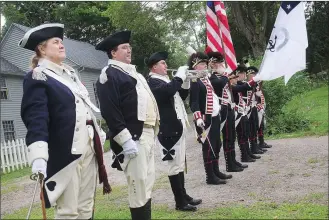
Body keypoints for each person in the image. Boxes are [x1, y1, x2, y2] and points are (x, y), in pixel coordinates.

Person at [20, 23, 110, 219]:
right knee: (69, 212)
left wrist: (98, 133)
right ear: (42, 49)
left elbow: (83, 108)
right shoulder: (37, 76)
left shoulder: (69, 75)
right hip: (65, 152)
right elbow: (36, 117)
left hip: (88, 148)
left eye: (62, 41)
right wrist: (38, 155)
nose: (62, 45)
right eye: (56, 42)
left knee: (86, 206)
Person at [95, 30, 159, 220]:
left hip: (147, 134)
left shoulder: (134, 73)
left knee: (147, 183)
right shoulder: (109, 74)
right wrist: (125, 139)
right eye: (124, 47)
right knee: (137, 187)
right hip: (133, 138)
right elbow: (110, 110)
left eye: (129, 47)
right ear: (113, 53)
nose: (129, 50)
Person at [146, 51, 202, 211]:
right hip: (167, 130)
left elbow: (180, 95)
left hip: (177, 127)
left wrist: (186, 82)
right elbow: (168, 91)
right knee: (174, 167)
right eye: (163, 63)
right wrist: (179, 77)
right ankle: (180, 202)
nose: (166, 66)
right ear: (154, 67)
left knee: (179, 165)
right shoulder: (152, 82)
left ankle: (183, 196)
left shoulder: (164, 80)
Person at [189, 50, 231, 185]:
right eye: (202, 63)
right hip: (205, 118)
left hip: (214, 116)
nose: (205, 66)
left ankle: (216, 170)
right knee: (208, 147)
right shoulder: (194, 79)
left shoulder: (206, 78)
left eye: (205, 63)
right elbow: (194, 101)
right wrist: (198, 117)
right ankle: (210, 176)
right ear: (195, 66)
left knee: (216, 144)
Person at [207, 52, 247, 172]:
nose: (222, 64)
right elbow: (219, 84)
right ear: (213, 64)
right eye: (219, 63)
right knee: (226, 136)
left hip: (229, 107)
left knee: (231, 136)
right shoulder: (213, 78)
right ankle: (229, 164)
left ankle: (232, 161)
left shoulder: (222, 77)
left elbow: (231, 87)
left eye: (221, 62)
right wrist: (225, 74)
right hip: (221, 108)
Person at [231, 66, 261, 162]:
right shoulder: (232, 86)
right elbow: (243, 87)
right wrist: (253, 81)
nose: (243, 75)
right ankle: (244, 155)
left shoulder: (239, 84)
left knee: (246, 132)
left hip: (243, 110)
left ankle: (248, 153)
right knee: (241, 134)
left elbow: (245, 86)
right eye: (241, 74)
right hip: (238, 111)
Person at [246, 67, 267, 154]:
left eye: (255, 74)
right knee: (252, 128)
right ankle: (253, 146)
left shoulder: (255, 84)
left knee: (258, 126)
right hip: (250, 108)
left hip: (258, 107)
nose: (254, 76)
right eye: (252, 74)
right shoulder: (247, 84)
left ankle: (259, 143)